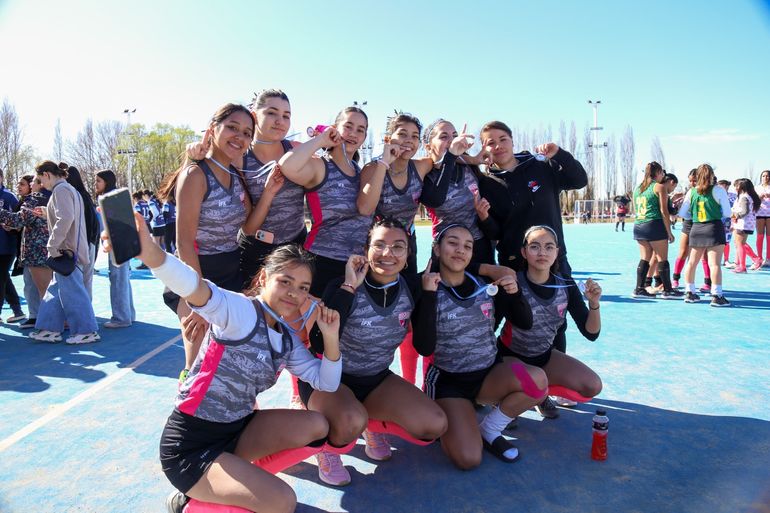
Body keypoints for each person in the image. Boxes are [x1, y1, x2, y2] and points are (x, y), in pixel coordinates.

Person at [105, 212, 343, 513]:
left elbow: (327, 383)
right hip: (192, 446)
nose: (294, 294)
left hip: (237, 430)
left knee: (317, 425)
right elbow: (195, 287)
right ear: (264, 278)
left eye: (304, 287)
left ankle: (233, 485)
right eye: (285, 281)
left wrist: (331, 338)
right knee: (282, 502)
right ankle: (192, 504)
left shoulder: (286, 338)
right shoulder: (239, 311)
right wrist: (151, 253)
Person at [298, 218, 448, 486]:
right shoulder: (342, 285)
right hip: (328, 380)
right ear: (366, 250)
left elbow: (425, 347)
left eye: (398, 247)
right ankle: (327, 448)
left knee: (433, 423)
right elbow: (319, 344)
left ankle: (369, 422)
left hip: (375, 379)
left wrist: (429, 295)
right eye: (379, 245)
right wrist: (348, 288)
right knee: (348, 424)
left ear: (408, 254)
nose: (388, 253)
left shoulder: (412, 287)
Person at [476, 120, 588, 409]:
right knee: (511, 321)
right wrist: (485, 218)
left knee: (557, 321)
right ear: (484, 148)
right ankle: (509, 385)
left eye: (502, 139)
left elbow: (579, 180)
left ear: (512, 141)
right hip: (514, 265)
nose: (498, 146)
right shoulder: (486, 183)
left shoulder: (540, 166)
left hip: (553, 261)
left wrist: (559, 154)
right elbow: (497, 232)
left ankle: (548, 390)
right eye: (490, 142)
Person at [415, 224, 544, 468]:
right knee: (468, 459)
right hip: (450, 382)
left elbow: (525, 322)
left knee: (537, 382)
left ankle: (490, 429)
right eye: (452, 243)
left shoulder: (485, 284)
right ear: (437, 248)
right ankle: (458, 418)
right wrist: (429, 297)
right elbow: (424, 347)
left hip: (489, 374)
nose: (460, 250)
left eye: (467, 246)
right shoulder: (424, 287)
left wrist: (515, 294)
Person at [157, 103, 254, 381]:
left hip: (231, 275)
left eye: (247, 133)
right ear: (213, 129)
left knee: (232, 365)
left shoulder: (237, 174)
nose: (239, 137)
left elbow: (248, 225)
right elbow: (184, 242)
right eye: (232, 128)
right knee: (198, 365)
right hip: (195, 275)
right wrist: (199, 299)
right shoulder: (196, 174)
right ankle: (187, 401)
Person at [497, 225, 603, 418]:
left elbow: (591, 333)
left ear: (557, 252)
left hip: (544, 357)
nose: (542, 253)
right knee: (527, 390)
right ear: (524, 252)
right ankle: (507, 398)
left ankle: (538, 394)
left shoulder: (565, 285)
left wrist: (594, 304)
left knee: (592, 385)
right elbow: (490, 326)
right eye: (534, 246)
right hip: (511, 357)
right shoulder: (512, 283)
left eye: (549, 247)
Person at [278, 106, 372, 297]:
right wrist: (321, 139)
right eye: (348, 126)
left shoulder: (362, 173)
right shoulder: (321, 165)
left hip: (356, 267)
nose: (353, 134)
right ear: (335, 128)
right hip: (322, 262)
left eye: (360, 130)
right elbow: (286, 166)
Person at [29, 161, 99, 344]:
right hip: (68, 250)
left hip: (67, 252)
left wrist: (52, 245)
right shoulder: (68, 189)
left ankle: (86, 331)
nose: (41, 184)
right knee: (55, 291)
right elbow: (67, 216)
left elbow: (66, 218)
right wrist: (48, 213)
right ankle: (49, 328)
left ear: (47, 174)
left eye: (40, 179)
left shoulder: (61, 190)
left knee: (73, 292)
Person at [677, 164, 732, 306]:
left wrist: (695, 216)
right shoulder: (719, 190)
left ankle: (690, 292)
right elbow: (727, 213)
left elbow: (682, 213)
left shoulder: (691, 192)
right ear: (711, 175)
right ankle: (717, 295)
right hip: (713, 228)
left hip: (696, 228)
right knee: (714, 264)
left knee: (691, 262)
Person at [0, 174, 47, 325]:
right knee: (30, 285)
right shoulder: (32, 200)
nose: (31, 185)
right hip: (31, 250)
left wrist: (9, 221)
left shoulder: (35, 199)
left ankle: (50, 323)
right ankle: (34, 316)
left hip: (35, 250)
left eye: (31, 183)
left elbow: (19, 219)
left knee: (44, 288)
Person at [631, 162, 682, 299]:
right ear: (658, 172)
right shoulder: (659, 187)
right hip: (654, 225)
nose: (663, 176)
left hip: (639, 225)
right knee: (662, 259)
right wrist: (669, 231)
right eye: (662, 173)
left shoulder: (637, 189)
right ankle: (668, 290)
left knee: (644, 258)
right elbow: (664, 211)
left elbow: (636, 210)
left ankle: (639, 288)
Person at [95, 169, 136, 328]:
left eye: (98, 181)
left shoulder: (109, 199)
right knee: (122, 278)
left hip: (117, 243)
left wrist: (109, 242)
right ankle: (128, 314)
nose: (96, 184)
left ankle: (121, 317)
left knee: (118, 279)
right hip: (122, 242)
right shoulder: (116, 197)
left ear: (107, 181)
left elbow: (115, 224)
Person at [66, 166, 100, 297]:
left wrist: (86, 245)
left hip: (83, 243)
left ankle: (85, 309)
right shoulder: (84, 196)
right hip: (88, 242)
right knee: (85, 281)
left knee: (82, 281)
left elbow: (89, 224)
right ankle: (86, 308)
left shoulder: (78, 197)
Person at [0, 167, 21, 324]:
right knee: (3, 277)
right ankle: (17, 310)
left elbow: (18, 220)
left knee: (1, 278)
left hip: (6, 246)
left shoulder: (9, 197)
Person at [731, 178, 762, 273]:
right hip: (746, 223)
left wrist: (736, 215)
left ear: (742, 187)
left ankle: (743, 266)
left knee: (740, 244)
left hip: (742, 223)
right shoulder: (748, 196)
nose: (735, 187)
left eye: (737, 185)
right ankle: (756, 259)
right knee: (740, 243)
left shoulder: (744, 197)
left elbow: (745, 211)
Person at [754, 170, 770, 267]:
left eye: (767, 176)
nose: (765, 178)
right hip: (759, 213)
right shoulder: (757, 188)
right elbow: (752, 200)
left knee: (769, 237)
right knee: (760, 236)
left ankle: (768, 258)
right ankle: (759, 258)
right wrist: (759, 197)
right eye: (763, 176)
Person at [132, 191, 152, 270]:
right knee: (147, 243)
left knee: (142, 244)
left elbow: (138, 215)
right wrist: (148, 221)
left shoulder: (138, 205)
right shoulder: (146, 203)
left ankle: (145, 263)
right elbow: (151, 214)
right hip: (148, 225)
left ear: (135, 198)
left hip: (141, 225)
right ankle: (148, 261)